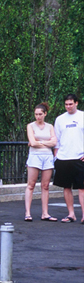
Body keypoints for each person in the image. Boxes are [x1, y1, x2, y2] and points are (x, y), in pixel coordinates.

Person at [53, 94, 84, 224]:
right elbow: (57, 140)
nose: (68, 107)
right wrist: (56, 157)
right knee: (66, 187)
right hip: (63, 158)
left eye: (71, 104)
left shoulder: (82, 116)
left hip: (79, 158)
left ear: (76, 103)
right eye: (66, 104)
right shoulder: (60, 119)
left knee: (82, 188)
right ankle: (71, 214)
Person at [24, 102, 57, 222]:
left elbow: (54, 142)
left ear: (45, 114)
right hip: (35, 156)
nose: (38, 116)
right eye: (36, 114)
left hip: (47, 156)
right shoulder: (30, 126)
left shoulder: (50, 127)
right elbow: (32, 142)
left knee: (45, 186)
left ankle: (45, 213)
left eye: (40, 114)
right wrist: (46, 141)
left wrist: (40, 142)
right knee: (31, 184)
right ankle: (27, 212)